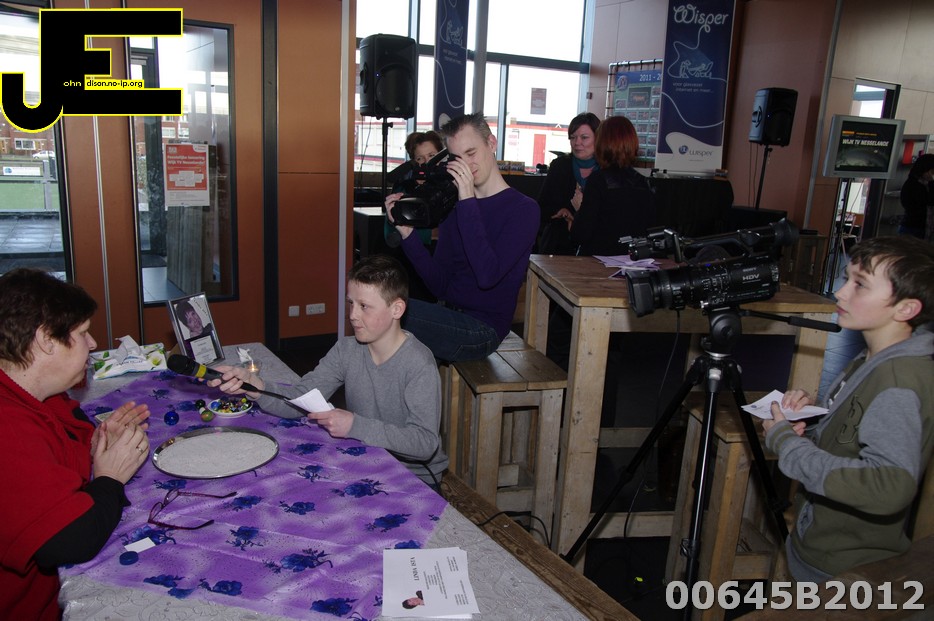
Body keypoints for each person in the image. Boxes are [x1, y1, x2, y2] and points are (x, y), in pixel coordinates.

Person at [762, 236, 934, 582]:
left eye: (860, 285)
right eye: (846, 279)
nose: (840, 293)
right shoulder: (873, 358)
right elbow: (855, 433)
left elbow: (889, 486)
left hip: (843, 568)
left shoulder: (898, 380)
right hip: (823, 547)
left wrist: (788, 444)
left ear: (906, 309)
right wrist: (811, 420)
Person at [208, 254, 448, 487]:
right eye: (351, 303)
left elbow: (424, 443)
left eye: (364, 306)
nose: (353, 315)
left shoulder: (419, 364)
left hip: (414, 478)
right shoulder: (346, 350)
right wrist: (256, 386)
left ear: (396, 309)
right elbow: (300, 398)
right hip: (367, 458)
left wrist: (355, 425)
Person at [0, 267, 151, 620]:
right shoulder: (8, 428)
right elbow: (71, 541)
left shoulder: (40, 396)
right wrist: (110, 478)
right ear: (45, 340)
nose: (93, 343)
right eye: (83, 333)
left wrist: (99, 443)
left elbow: (71, 436)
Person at [385, 112, 540, 362]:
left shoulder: (524, 209)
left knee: (383, 313)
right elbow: (439, 285)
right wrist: (408, 235)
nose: (466, 165)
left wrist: (467, 200)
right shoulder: (456, 208)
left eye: (471, 153)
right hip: (449, 315)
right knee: (379, 309)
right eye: (458, 158)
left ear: (491, 143)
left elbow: (487, 276)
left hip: (484, 329)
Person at [569, 114, 656, 256]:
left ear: (601, 144)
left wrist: (580, 209)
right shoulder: (643, 182)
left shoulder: (598, 180)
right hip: (633, 260)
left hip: (598, 261)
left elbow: (580, 234)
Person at [536, 112, 601, 255]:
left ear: (598, 139)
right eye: (573, 137)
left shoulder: (606, 170)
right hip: (559, 246)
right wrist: (561, 211)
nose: (577, 142)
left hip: (595, 249)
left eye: (584, 137)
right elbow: (541, 208)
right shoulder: (560, 166)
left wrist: (581, 213)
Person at [898, 153, 934, 239]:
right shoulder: (912, 185)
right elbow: (929, 201)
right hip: (913, 228)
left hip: (926, 228)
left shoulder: (928, 183)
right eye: (932, 171)